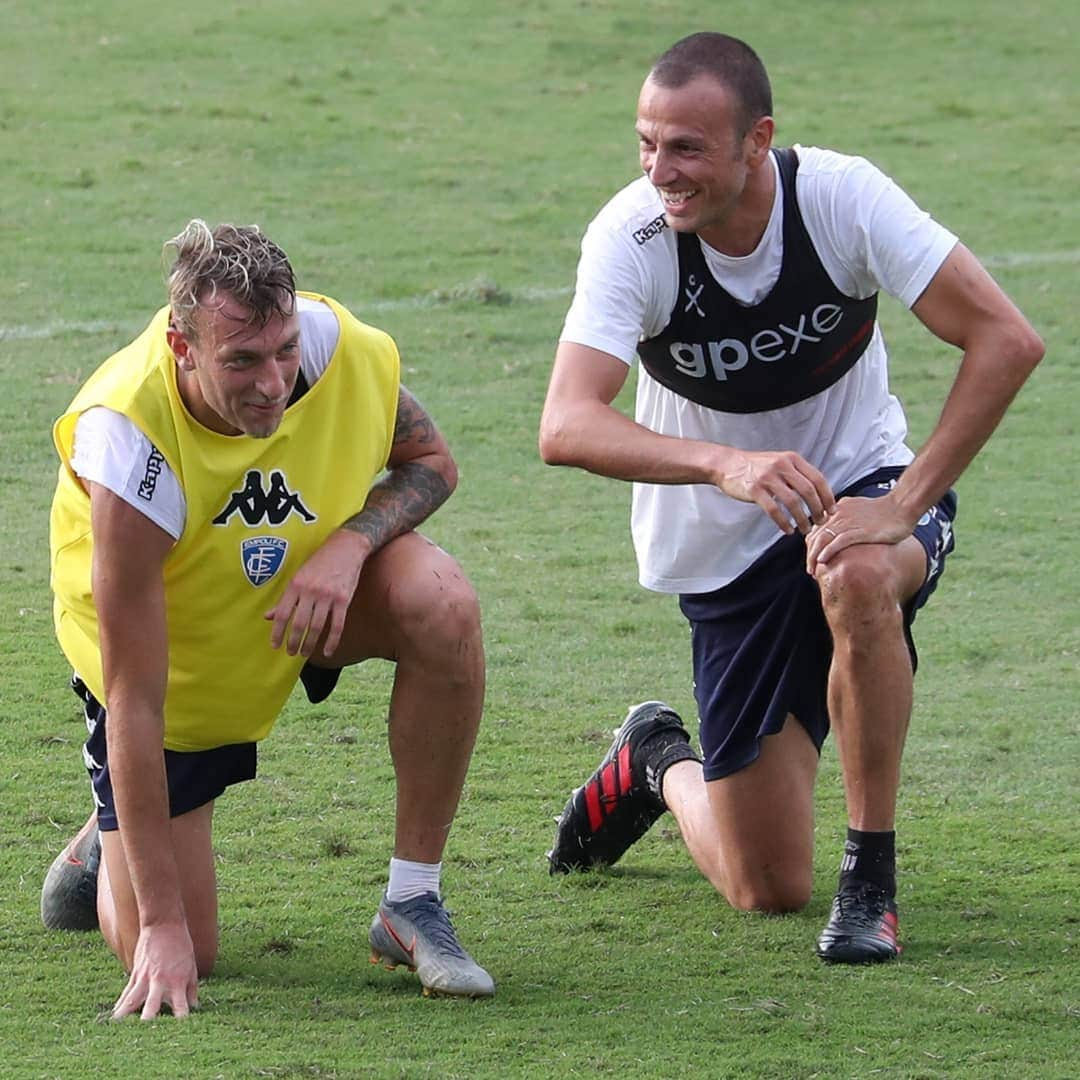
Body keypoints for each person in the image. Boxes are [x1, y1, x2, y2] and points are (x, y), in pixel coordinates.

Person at [539, 32, 1043, 963]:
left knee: (857, 575)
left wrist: (906, 502)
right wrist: (724, 465)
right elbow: (564, 424)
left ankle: (871, 880)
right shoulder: (632, 239)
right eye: (647, 143)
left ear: (757, 140)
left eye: (687, 147)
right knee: (764, 886)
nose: (662, 171)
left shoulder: (841, 199)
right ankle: (655, 761)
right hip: (727, 543)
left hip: (866, 487)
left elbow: (1006, 339)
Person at [42, 220, 495, 1017]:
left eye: (283, 350)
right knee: (193, 951)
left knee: (441, 599)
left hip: (294, 598)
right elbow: (134, 700)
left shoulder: (336, 351)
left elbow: (431, 464)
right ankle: (101, 849)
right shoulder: (128, 445)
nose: (273, 382)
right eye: (242, 361)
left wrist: (347, 549)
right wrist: (160, 925)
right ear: (183, 349)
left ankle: (412, 901)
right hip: (176, 669)